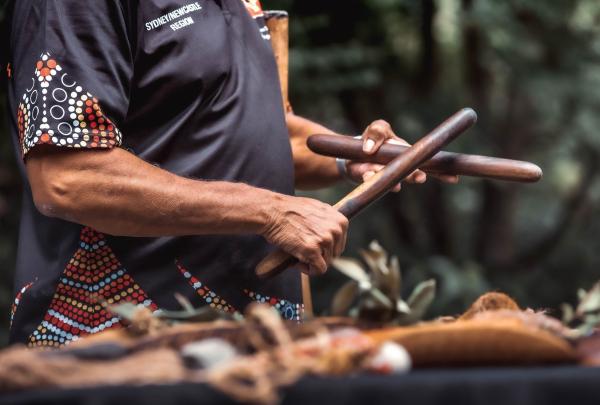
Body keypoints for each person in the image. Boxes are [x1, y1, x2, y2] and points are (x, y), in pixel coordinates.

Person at [4, 0, 456, 347]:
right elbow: (68, 177)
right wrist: (270, 210)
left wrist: (355, 156)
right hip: (117, 341)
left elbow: (260, 133)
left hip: (253, 338)